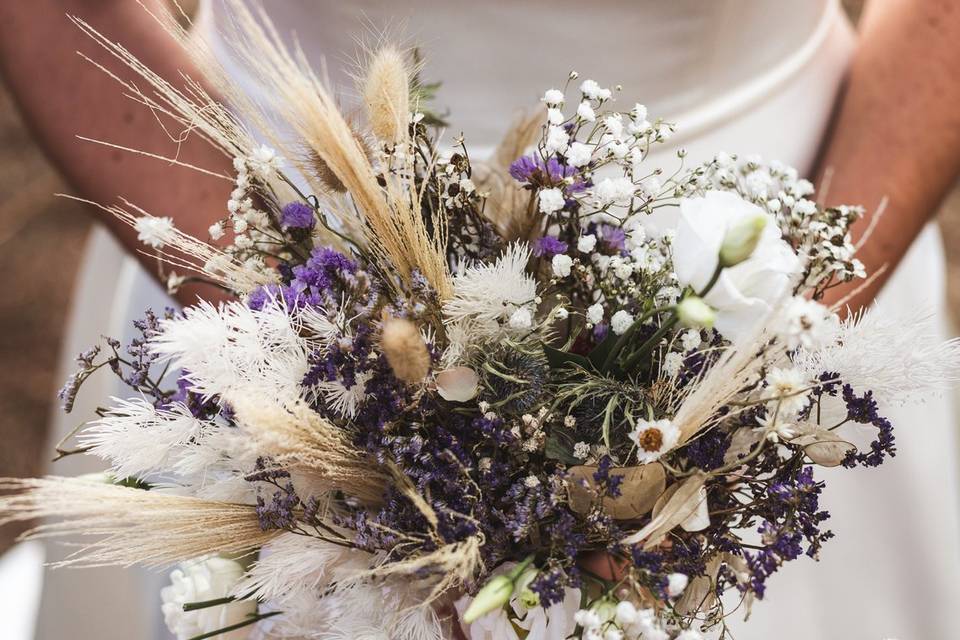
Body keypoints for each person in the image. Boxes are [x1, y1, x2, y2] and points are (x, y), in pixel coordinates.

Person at [1, 1, 959, 638]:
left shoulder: (776, 299)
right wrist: (300, 346)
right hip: (265, 223)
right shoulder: (280, 307)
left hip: (770, 240)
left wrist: (757, 375)